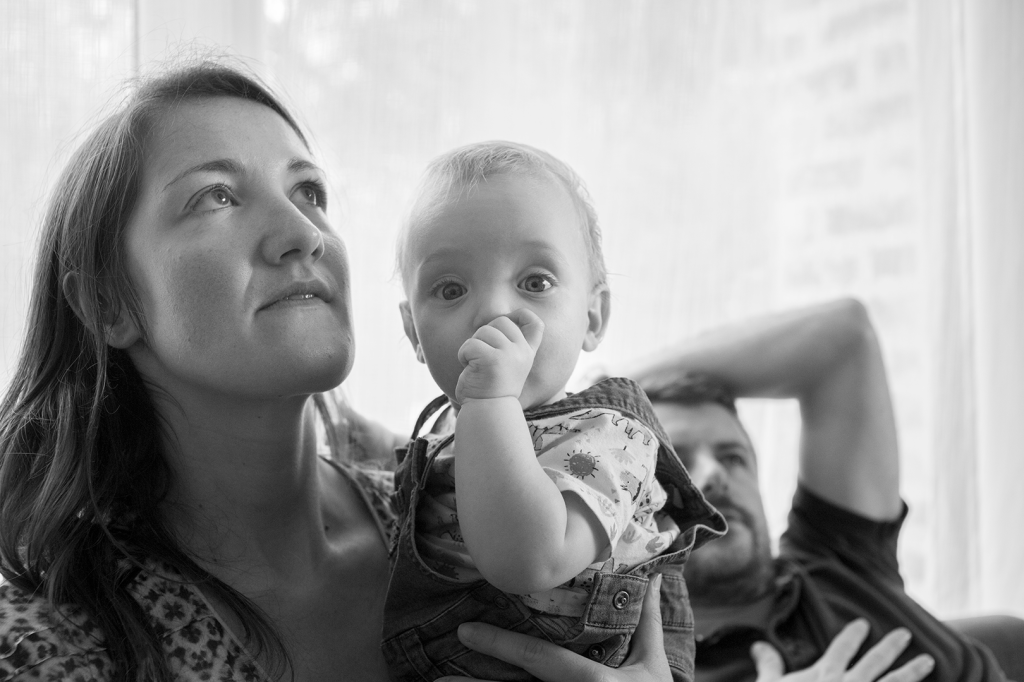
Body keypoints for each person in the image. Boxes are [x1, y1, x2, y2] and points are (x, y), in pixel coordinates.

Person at [0, 60, 934, 682]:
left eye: (310, 191)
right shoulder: (52, 651)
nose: (302, 234)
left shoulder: (507, 493)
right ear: (109, 302)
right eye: (215, 196)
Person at [385, 141, 726, 681]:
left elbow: (527, 561)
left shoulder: (610, 437)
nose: (494, 310)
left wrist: (490, 402)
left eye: (535, 282)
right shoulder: (438, 443)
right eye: (450, 288)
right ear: (413, 333)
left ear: (592, 316)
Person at [624, 298, 1007, 682]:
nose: (712, 475)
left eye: (733, 457)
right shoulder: (633, 664)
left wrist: (614, 385)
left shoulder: (839, 555)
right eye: (679, 462)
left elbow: (843, 336)